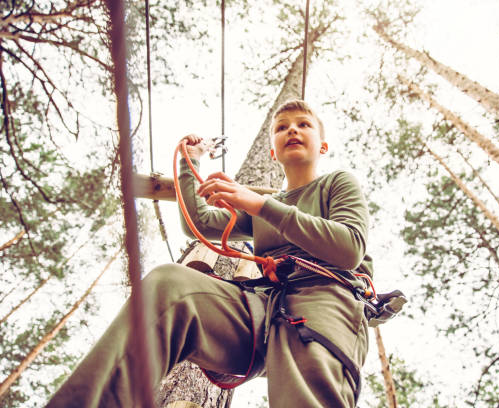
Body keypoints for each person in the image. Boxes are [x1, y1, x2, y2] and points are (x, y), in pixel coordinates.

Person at [47, 99, 372, 408]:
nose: (292, 130)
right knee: (170, 287)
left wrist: (261, 205)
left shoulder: (337, 183)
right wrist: (192, 161)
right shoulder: (264, 212)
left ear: (323, 146)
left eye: (304, 124)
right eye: (282, 127)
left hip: (326, 298)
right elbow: (198, 222)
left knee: (305, 396)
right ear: (273, 152)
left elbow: (349, 248)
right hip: (264, 307)